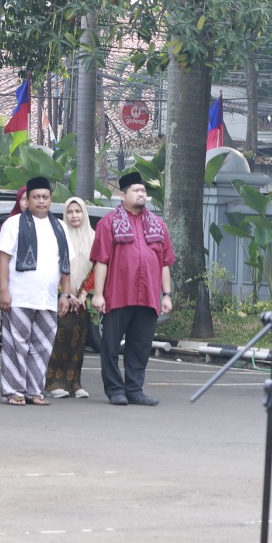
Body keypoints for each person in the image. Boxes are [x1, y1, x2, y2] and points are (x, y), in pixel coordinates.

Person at [91, 171, 175, 406]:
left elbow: (165, 262)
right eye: (136, 191)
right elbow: (101, 260)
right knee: (110, 345)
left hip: (148, 296)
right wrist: (98, 295)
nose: (141, 194)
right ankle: (115, 390)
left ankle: (135, 390)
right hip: (118, 294)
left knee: (140, 345)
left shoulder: (157, 224)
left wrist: (166, 295)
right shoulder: (109, 223)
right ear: (122, 195)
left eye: (143, 191)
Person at [0, 177, 71, 406]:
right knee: (16, 345)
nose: (41, 201)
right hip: (19, 296)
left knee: (42, 346)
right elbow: (2, 258)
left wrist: (66, 294)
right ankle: (14, 391)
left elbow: (66, 264)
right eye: (36, 197)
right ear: (27, 200)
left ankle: (34, 390)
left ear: (51, 200)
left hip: (47, 298)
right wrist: (3, 290)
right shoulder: (14, 224)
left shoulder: (60, 226)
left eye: (45, 197)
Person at [46, 196, 97, 399]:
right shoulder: (58, 236)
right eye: (70, 212)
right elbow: (52, 265)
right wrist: (65, 293)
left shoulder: (94, 238)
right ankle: (53, 383)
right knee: (58, 340)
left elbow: (98, 267)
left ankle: (74, 382)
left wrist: (84, 293)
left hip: (83, 299)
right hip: (61, 297)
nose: (74, 215)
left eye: (78, 211)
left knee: (78, 343)